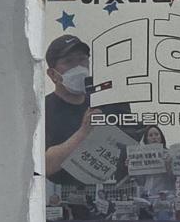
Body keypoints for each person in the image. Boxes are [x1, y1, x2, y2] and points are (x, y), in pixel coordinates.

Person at [42, 33, 129, 191]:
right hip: (60, 196)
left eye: (82, 60)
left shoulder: (106, 102)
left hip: (108, 191)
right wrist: (83, 133)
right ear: (53, 74)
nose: (79, 68)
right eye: (69, 61)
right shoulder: (42, 110)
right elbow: (43, 165)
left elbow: (129, 144)